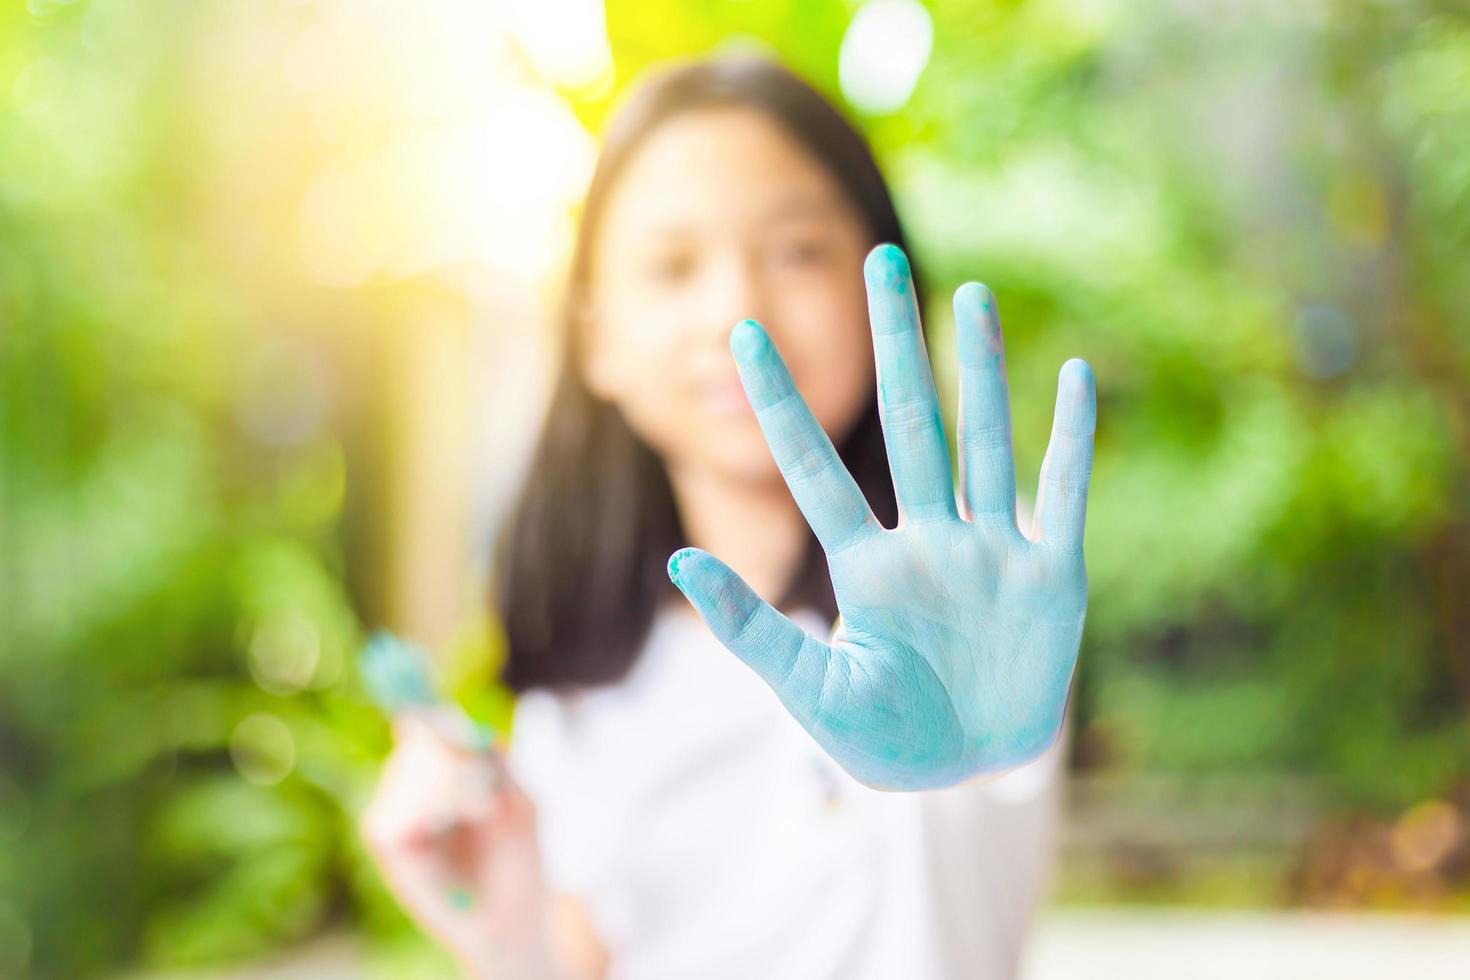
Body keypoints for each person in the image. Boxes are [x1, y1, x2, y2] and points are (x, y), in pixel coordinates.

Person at [363, 54, 1096, 980]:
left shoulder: (973, 589)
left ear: (887, 295)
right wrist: (497, 920)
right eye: (671, 267)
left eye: (796, 252)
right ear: (598, 339)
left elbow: (990, 785)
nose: (736, 310)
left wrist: (985, 743)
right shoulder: (582, 681)